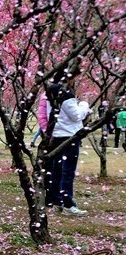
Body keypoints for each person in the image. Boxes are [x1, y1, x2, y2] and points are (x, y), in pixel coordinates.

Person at [46, 76, 90, 216]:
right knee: (67, 171)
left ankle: (57, 201)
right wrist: (84, 103)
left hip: (57, 135)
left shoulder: (50, 93)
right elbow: (77, 116)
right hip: (70, 135)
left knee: (57, 170)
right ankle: (68, 204)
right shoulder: (66, 94)